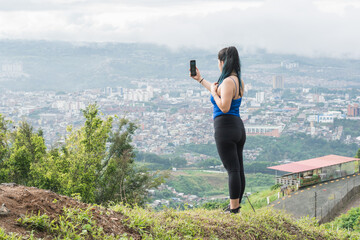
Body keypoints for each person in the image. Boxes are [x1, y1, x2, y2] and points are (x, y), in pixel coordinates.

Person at [190, 46, 246, 214]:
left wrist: (214, 94)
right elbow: (220, 92)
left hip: (225, 128)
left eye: (218, 62)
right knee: (238, 168)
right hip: (237, 127)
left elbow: (224, 106)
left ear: (223, 62)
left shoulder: (228, 81)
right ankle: (235, 206)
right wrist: (201, 80)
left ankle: (234, 209)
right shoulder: (238, 81)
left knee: (232, 169)